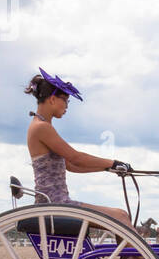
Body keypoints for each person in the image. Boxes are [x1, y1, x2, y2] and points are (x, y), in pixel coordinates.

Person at [25, 68, 135, 230]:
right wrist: (113, 162)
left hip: (56, 203)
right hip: (56, 204)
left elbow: (71, 166)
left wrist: (108, 168)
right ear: (53, 99)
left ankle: (132, 256)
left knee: (121, 215)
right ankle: (137, 256)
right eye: (66, 100)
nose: (67, 106)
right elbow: (75, 158)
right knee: (120, 216)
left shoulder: (41, 125)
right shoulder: (42, 128)